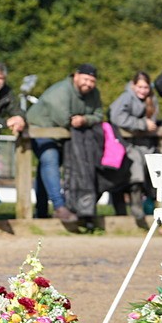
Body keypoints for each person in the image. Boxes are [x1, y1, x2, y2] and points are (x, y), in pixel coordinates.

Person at [26, 63, 104, 224]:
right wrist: (80, 120)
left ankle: (40, 212)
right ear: (76, 76)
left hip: (62, 135)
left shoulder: (93, 93)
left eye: (92, 81)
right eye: (85, 79)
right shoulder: (61, 91)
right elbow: (65, 119)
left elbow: (98, 115)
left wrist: (84, 119)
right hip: (41, 130)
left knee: (44, 169)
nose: (88, 84)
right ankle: (60, 206)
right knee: (50, 161)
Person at [109, 71, 159, 219]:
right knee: (135, 165)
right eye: (140, 87)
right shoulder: (126, 97)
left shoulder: (151, 100)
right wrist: (141, 124)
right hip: (124, 143)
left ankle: (152, 206)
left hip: (144, 144)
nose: (142, 90)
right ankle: (135, 205)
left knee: (151, 167)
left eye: (145, 87)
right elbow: (116, 117)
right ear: (133, 85)